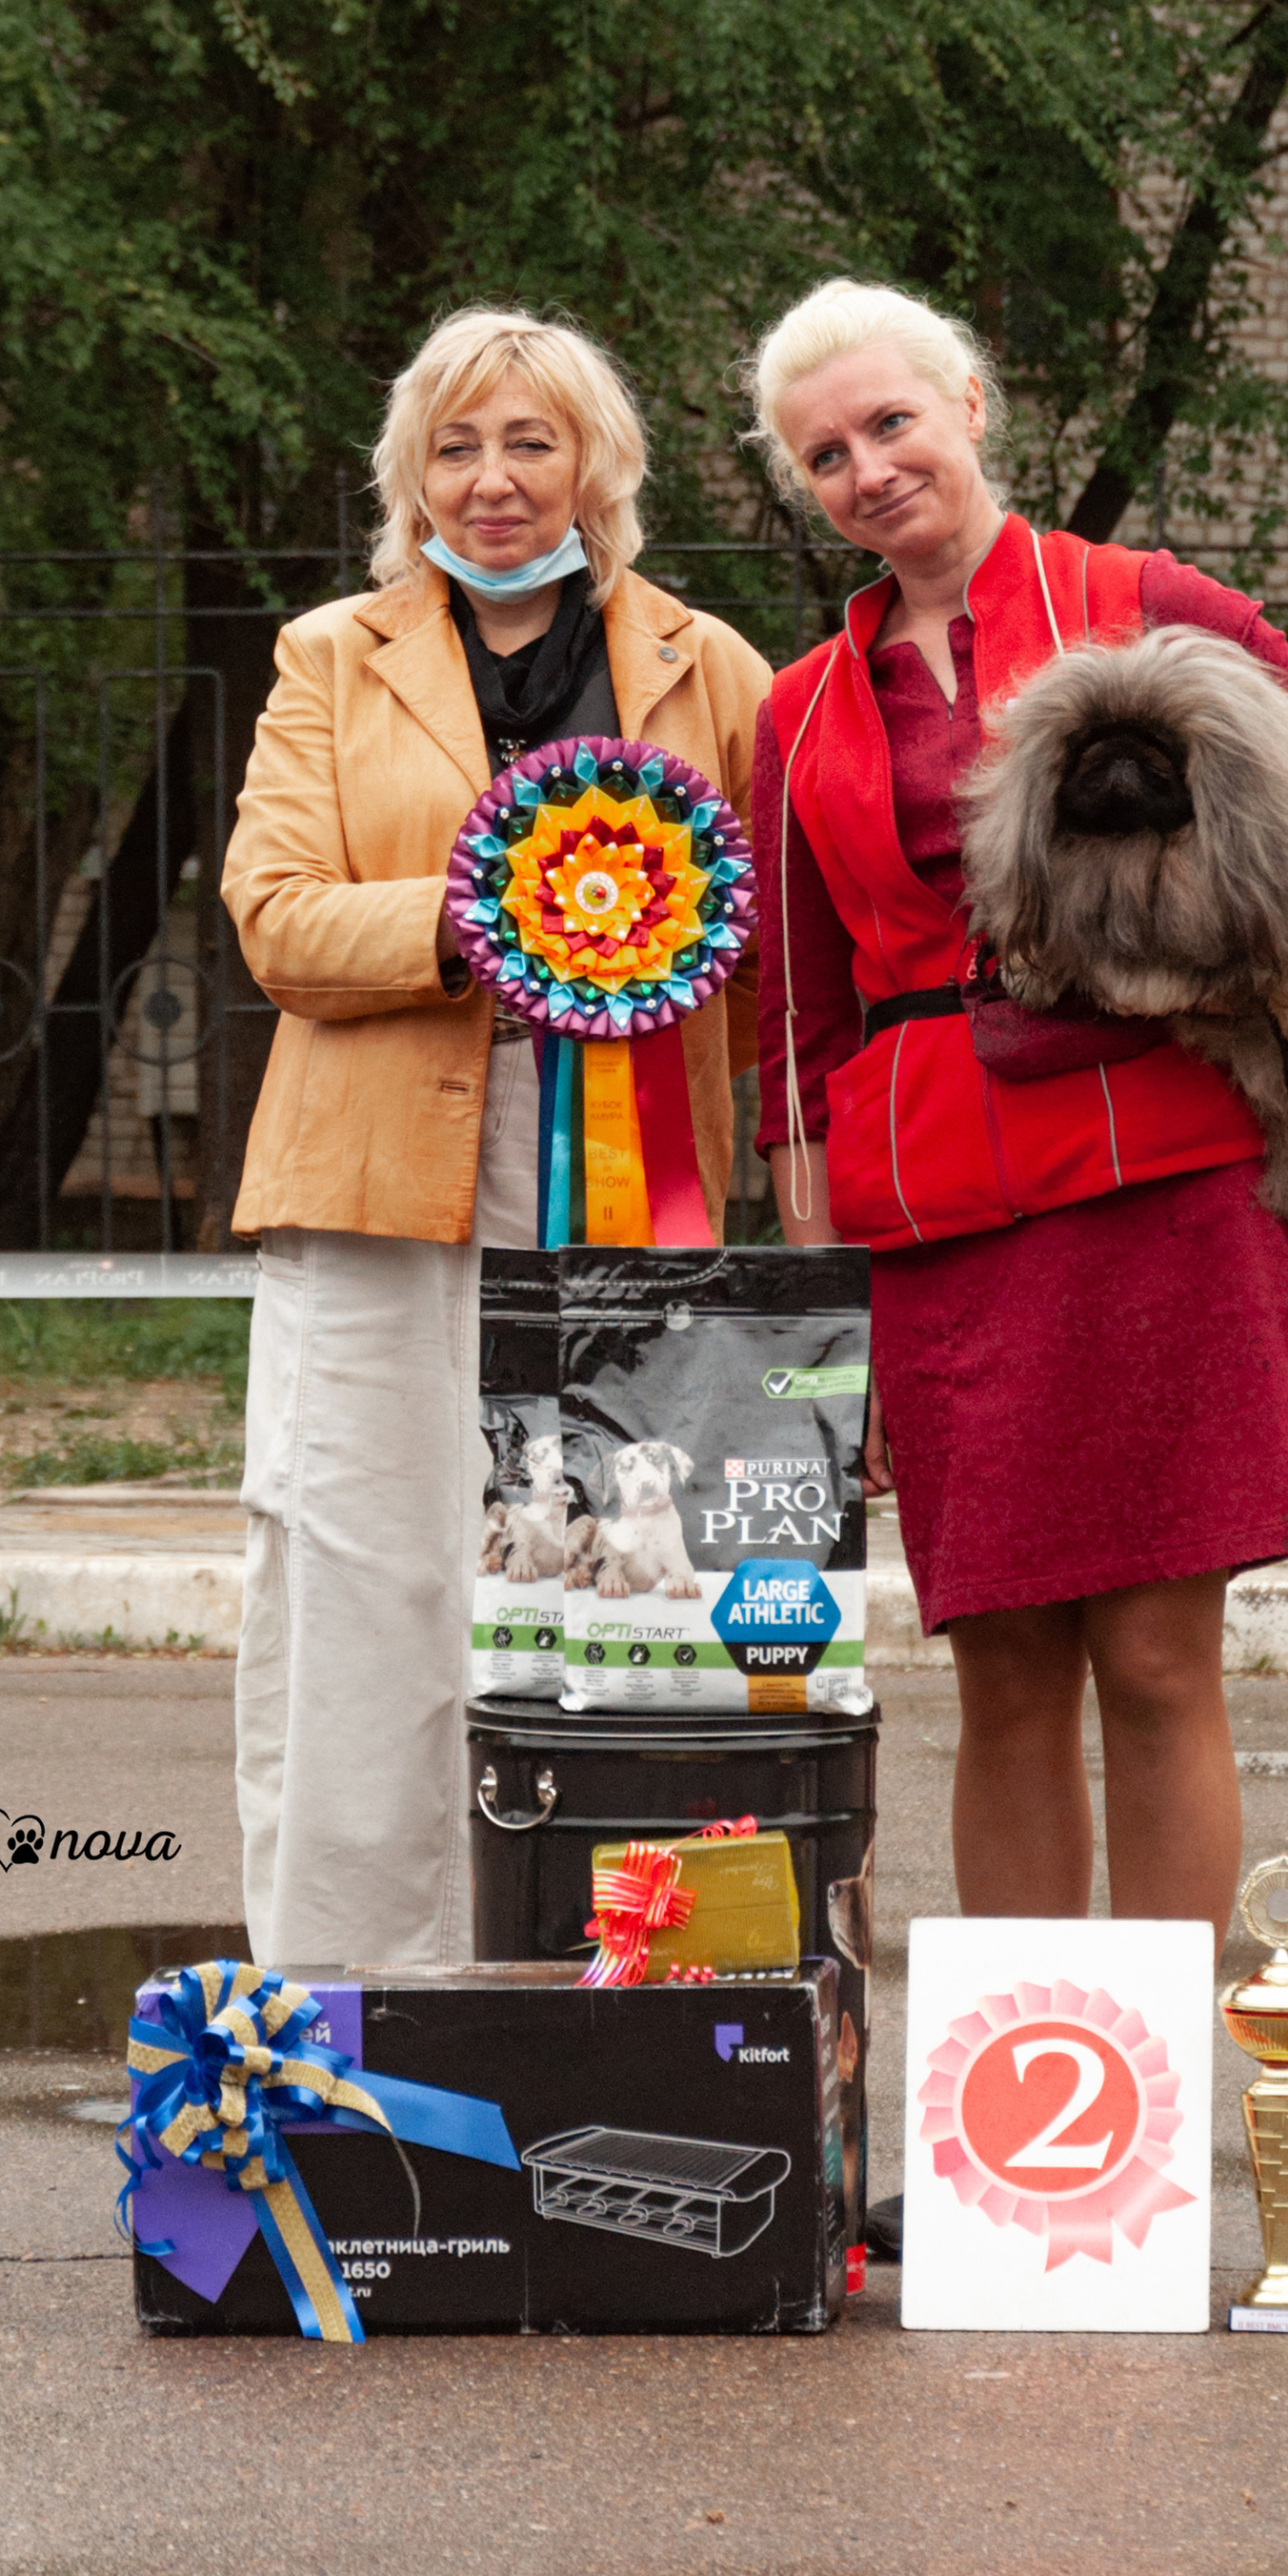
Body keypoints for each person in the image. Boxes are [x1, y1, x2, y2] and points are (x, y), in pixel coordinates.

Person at [746, 277, 1288, 1952]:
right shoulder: (795, 715)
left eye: (891, 423)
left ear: (971, 405)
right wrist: (812, 1291)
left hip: (1165, 1193)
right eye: (827, 455)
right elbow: (792, 1026)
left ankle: (1137, 2138)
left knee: (1152, 1660)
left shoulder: (1145, 604)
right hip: (933, 1233)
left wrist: (1237, 970)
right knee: (998, 1678)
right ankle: (1018, 2138)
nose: (869, 470)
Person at [220, 308, 774, 1967]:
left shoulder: (712, 664)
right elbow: (277, 918)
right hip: (383, 1179)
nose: (496, 479)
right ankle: (348, 2001)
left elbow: (771, 955)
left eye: (531, 442)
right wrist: (493, 922)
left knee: (632, 1583)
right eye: (456, 446)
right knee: (369, 1581)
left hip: (638, 1176)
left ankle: (632, 1983)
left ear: (597, 463)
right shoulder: (332, 656)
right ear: (412, 475)